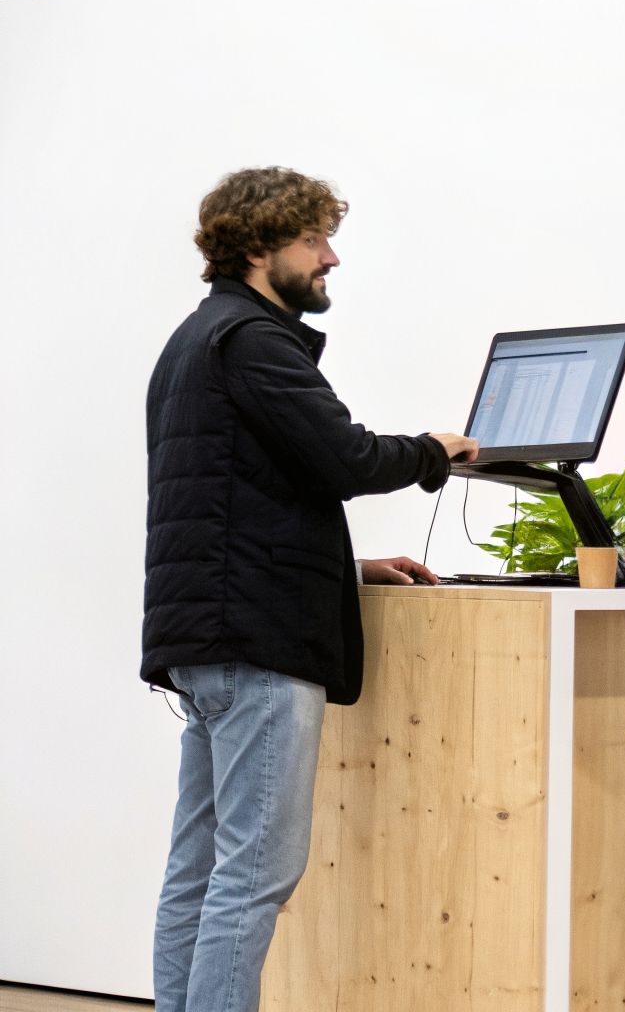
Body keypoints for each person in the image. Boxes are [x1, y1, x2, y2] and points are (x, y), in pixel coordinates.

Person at [142, 166, 478, 1012]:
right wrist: (438, 447)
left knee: (200, 869)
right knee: (254, 877)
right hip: (257, 646)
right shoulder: (252, 339)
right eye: (313, 240)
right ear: (258, 248)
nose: (331, 257)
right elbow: (347, 460)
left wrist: (347, 567)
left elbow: (239, 495)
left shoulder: (195, 338)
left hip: (208, 645)